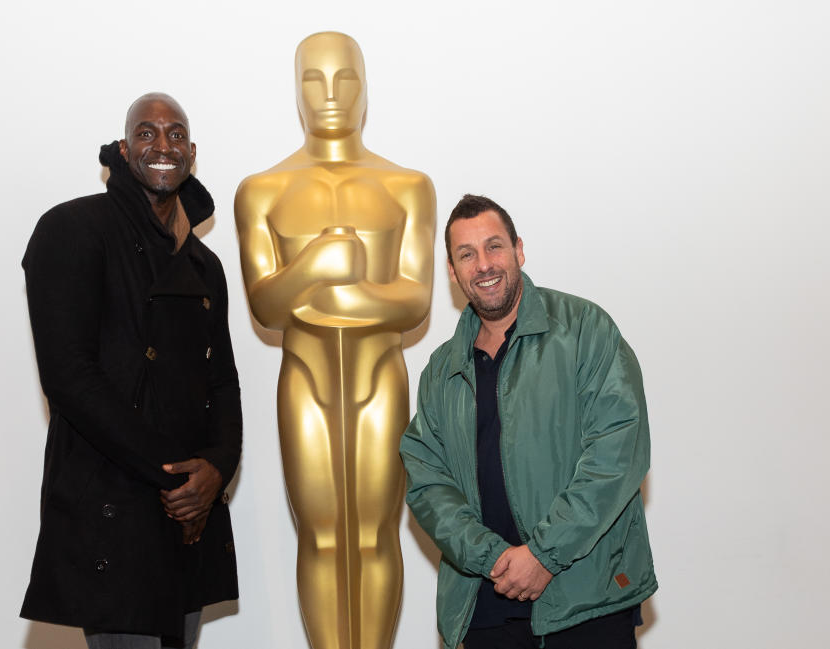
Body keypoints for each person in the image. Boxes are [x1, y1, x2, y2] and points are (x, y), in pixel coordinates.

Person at [20, 93, 242, 649]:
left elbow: (224, 383)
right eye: (146, 134)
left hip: (189, 514)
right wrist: (179, 481)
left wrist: (215, 472)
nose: (161, 145)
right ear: (123, 150)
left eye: (174, 135)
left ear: (191, 152)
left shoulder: (205, 265)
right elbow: (70, 377)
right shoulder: (71, 229)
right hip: (114, 508)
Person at [234, 32, 434, 649]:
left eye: (344, 78)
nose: (329, 94)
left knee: (377, 534)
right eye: (313, 80)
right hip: (305, 377)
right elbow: (267, 305)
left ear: (366, 88)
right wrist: (319, 262)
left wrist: (336, 298)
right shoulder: (261, 190)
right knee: (319, 535)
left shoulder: (407, 185)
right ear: (296, 93)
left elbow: (416, 300)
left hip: (380, 377)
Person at [400, 195, 656, 649]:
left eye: (493, 246)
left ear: (519, 250)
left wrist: (543, 555)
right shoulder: (441, 371)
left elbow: (618, 452)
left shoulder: (584, 330)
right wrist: (493, 558)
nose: (483, 264)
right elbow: (427, 481)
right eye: (467, 254)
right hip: (485, 604)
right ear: (453, 271)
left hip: (585, 597)